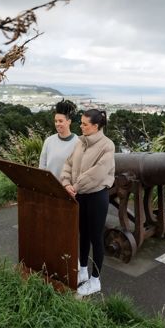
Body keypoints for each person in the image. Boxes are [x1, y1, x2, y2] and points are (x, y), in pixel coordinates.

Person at [61, 109, 115, 296]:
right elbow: (68, 164)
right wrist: (66, 183)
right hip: (80, 194)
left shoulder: (107, 146)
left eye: (84, 124)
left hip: (96, 197)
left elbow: (98, 173)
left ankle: (95, 280)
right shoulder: (80, 143)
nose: (81, 126)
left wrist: (74, 186)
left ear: (96, 126)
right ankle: (82, 271)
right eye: (81, 123)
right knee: (82, 234)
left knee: (96, 238)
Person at [39, 99, 78, 180]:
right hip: (49, 187)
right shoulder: (49, 141)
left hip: (67, 189)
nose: (57, 124)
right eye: (56, 121)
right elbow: (42, 167)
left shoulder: (78, 143)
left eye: (60, 121)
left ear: (69, 122)